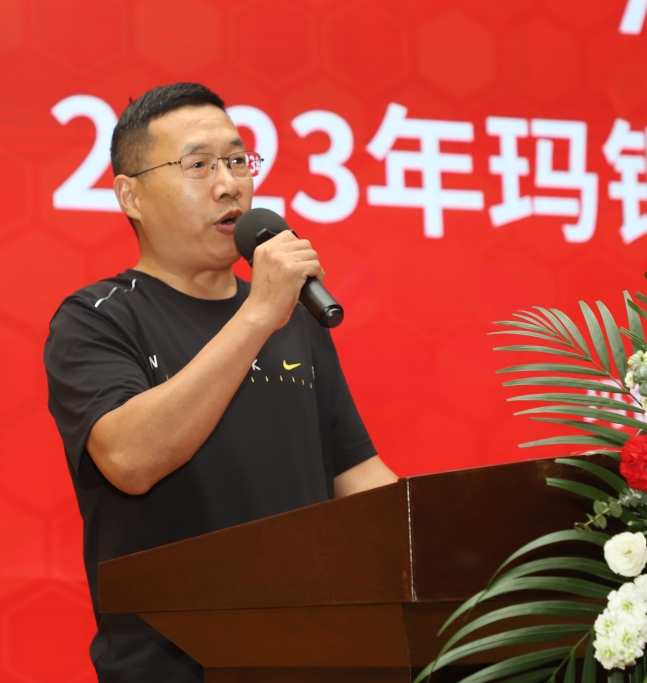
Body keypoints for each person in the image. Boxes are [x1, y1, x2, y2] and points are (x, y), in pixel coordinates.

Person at [44, 82, 397, 683]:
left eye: (238, 161)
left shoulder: (295, 320)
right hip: (173, 667)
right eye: (199, 165)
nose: (229, 184)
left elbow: (357, 477)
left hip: (314, 657)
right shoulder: (98, 318)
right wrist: (257, 315)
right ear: (130, 195)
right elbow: (130, 460)